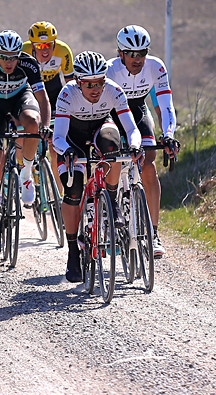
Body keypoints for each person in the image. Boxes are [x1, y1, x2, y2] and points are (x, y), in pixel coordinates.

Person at [52, 51, 143, 282]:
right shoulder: (67, 93)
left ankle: (110, 201)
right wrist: (67, 151)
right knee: (73, 192)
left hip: (101, 127)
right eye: (89, 84)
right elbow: (58, 137)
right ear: (78, 82)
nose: (95, 89)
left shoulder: (113, 90)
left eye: (99, 83)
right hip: (73, 138)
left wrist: (134, 146)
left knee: (113, 145)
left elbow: (132, 129)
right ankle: (73, 249)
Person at [105, 25, 179, 258]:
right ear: (121, 54)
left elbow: (166, 105)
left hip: (137, 109)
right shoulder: (109, 70)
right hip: (112, 113)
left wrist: (168, 134)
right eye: (132, 54)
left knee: (148, 162)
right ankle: (111, 215)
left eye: (142, 53)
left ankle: (153, 233)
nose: (138, 59)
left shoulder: (156, 66)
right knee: (113, 158)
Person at [0, 29, 51, 248]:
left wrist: (45, 126)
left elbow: (43, 99)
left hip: (19, 98)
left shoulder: (28, 63)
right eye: (4, 57)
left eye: (13, 57)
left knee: (32, 123)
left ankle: (26, 172)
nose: (9, 62)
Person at [22, 21, 74, 177]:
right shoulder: (22, 51)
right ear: (32, 45)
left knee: (56, 144)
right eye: (39, 46)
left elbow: (70, 85)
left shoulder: (63, 50)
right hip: (30, 91)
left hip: (53, 90)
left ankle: (58, 193)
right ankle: (24, 172)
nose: (45, 50)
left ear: (54, 43)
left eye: (48, 45)